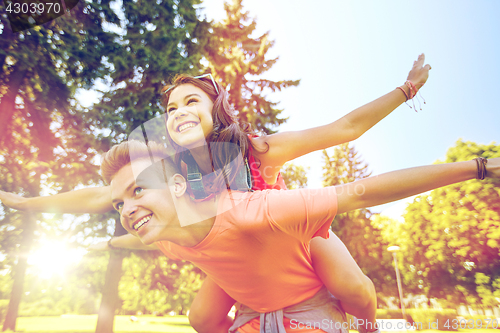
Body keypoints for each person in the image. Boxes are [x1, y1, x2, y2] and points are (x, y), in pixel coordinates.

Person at [0, 55, 431, 332]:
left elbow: (344, 129)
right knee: (202, 318)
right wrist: (23, 203)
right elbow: (99, 195)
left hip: (292, 237)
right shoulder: (167, 169)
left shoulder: (256, 148)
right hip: (234, 255)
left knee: (355, 290)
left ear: (214, 111)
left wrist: (406, 89)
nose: (180, 112)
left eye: (192, 102)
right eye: (171, 109)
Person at [97, 140, 497, 332]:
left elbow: (368, 190)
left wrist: (477, 167)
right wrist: (109, 243)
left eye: (138, 191)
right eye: (118, 204)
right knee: (200, 318)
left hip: (303, 267)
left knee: (356, 289)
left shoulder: (251, 210)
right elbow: (132, 238)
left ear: (181, 185)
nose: (127, 210)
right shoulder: (166, 234)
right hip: (255, 298)